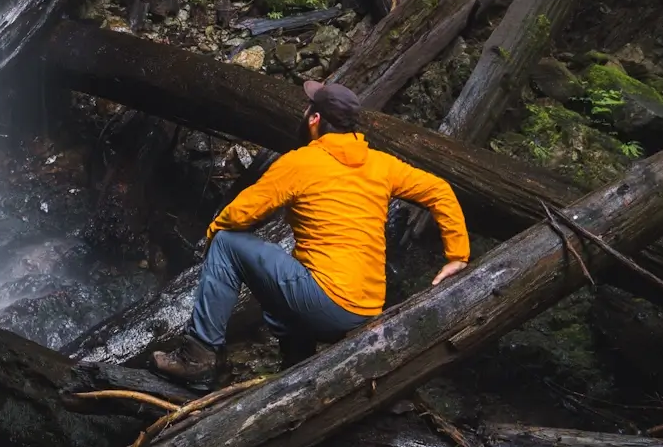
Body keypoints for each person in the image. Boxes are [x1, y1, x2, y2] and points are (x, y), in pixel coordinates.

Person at [153, 78, 469, 384]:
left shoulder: (301, 162)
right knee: (294, 275)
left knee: (226, 242)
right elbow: (440, 189)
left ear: (315, 119)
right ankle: (295, 369)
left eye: (308, 109)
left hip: (326, 306)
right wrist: (457, 255)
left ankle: (197, 359)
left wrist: (211, 233)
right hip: (366, 311)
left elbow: (245, 211)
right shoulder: (381, 164)